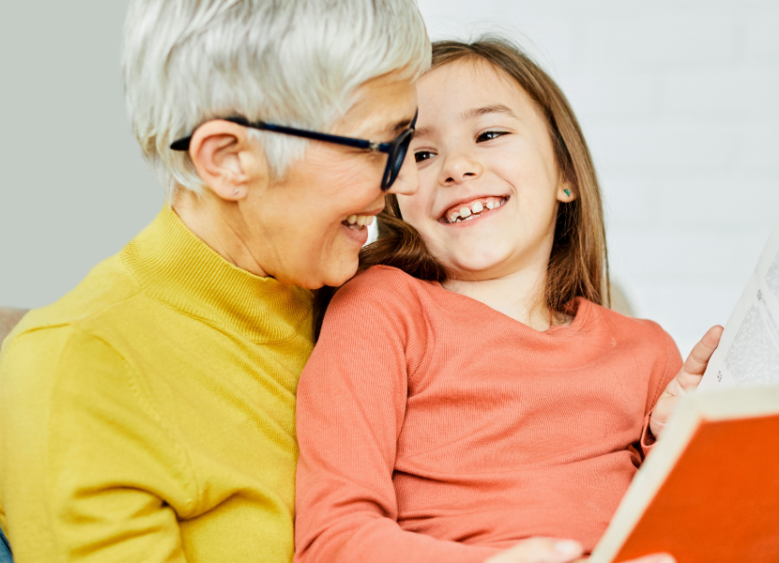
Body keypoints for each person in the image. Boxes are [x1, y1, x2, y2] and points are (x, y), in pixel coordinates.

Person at [0, 1, 430, 561]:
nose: (408, 179)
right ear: (227, 158)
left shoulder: (376, 305)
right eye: (381, 148)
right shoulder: (79, 368)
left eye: (408, 138)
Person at [294, 38, 724, 563]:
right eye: (422, 153)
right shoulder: (382, 309)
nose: (457, 167)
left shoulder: (647, 350)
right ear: (397, 196)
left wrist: (675, 448)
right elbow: (331, 540)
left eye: (489, 133)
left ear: (565, 174)